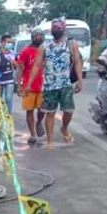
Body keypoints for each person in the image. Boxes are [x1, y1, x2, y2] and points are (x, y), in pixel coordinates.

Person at [27, 19, 83, 150]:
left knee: (68, 111)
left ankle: (64, 128)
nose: (55, 30)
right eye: (54, 28)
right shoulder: (45, 47)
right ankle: (49, 141)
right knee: (50, 113)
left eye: (58, 28)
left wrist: (80, 80)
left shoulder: (71, 44)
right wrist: (29, 84)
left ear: (63, 29)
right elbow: (36, 66)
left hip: (65, 84)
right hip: (50, 86)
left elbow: (77, 62)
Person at [16, 28, 46, 145]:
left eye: (41, 36)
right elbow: (20, 70)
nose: (40, 38)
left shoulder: (45, 51)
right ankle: (33, 134)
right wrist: (19, 85)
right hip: (29, 87)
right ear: (33, 37)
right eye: (37, 36)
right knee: (29, 111)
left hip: (43, 86)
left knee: (43, 109)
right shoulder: (25, 52)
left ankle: (39, 122)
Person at [0, 34, 17, 118]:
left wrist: (14, 62)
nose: (10, 44)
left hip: (10, 80)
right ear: (2, 42)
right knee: (0, 100)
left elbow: (17, 67)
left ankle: (8, 117)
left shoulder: (13, 54)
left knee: (8, 98)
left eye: (11, 42)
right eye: (8, 42)